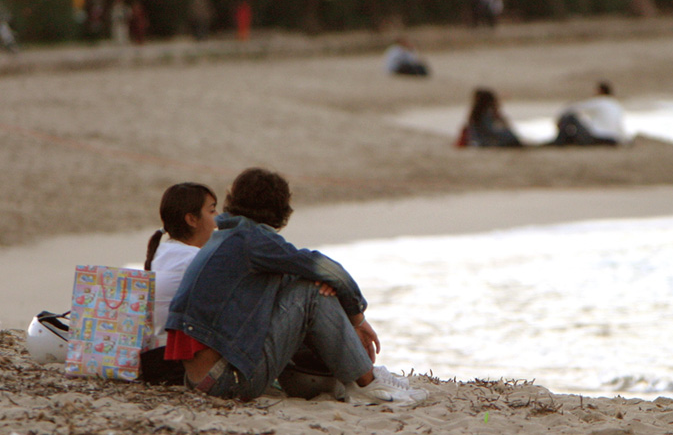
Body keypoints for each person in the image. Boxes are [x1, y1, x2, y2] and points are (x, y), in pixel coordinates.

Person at [165, 167, 426, 405]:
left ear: (232, 201)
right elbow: (327, 268)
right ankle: (366, 382)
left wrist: (319, 284)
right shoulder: (252, 240)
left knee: (304, 283)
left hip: (202, 380)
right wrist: (357, 318)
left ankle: (358, 375)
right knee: (311, 291)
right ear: (281, 209)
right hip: (225, 381)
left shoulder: (227, 238)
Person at [140, 183, 219, 385]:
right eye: (212, 210)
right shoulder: (195, 258)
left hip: (153, 357)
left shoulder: (164, 250)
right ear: (192, 219)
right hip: (176, 362)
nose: (218, 217)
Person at [548, 81, 629, 147]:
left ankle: (558, 142)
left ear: (600, 91)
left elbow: (573, 108)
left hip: (597, 138)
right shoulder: (617, 105)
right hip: (613, 139)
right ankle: (561, 141)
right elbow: (620, 125)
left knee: (571, 117)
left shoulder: (599, 101)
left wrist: (559, 120)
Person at [458, 88, 523, 147]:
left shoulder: (476, 114)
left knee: (509, 137)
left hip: (479, 141)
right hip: (485, 142)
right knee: (510, 138)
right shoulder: (484, 115)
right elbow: (490, 131)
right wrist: (501, 120)